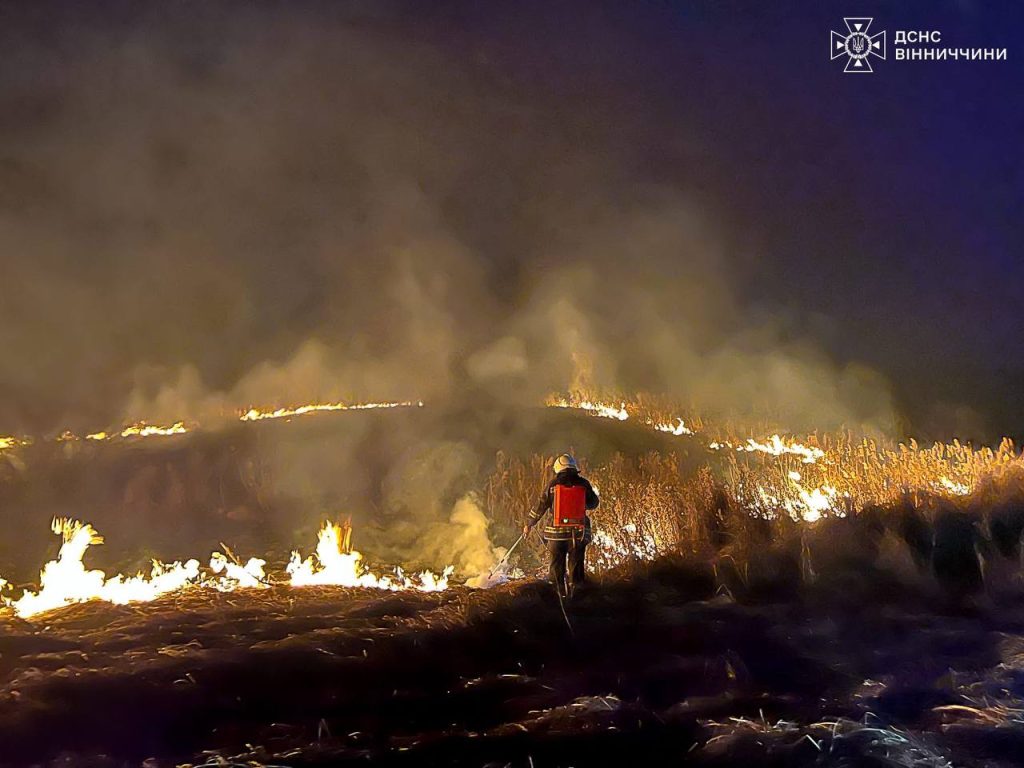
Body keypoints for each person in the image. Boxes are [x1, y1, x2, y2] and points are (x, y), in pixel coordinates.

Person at [524, 453, 599, 596]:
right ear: (573, 467)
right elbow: (594, 503)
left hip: (557, 536)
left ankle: (557, 598)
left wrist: (529, 523)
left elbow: (541, 505)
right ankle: (577, 598)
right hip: (578, 534)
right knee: (576, 568)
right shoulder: (583, 483)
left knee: (556, 567)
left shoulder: (553, 485)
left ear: (558, 468)